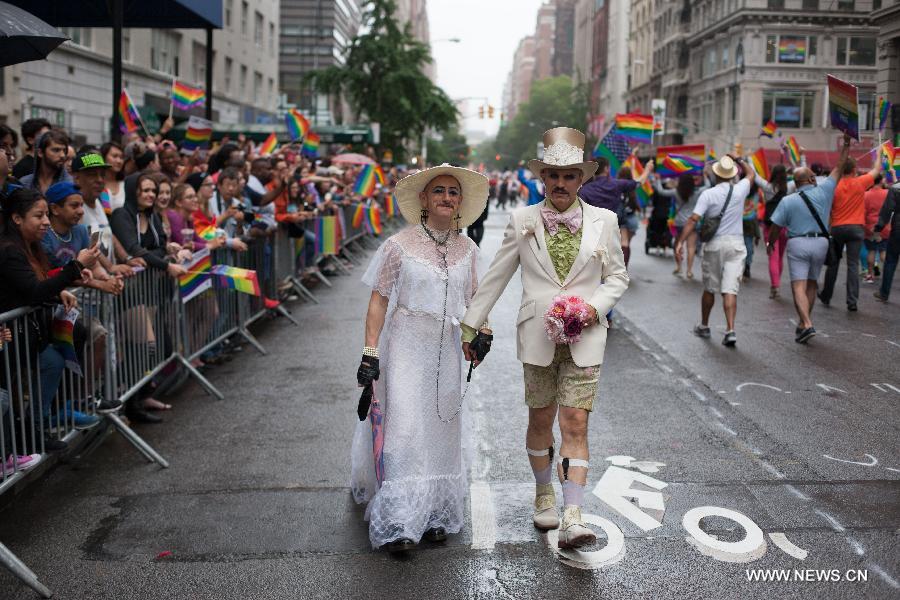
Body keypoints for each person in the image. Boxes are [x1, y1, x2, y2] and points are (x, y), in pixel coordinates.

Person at [461, 128, 629, 549]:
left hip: (585, 336)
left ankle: (574, 515)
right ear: (543, 177)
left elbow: (617, 277)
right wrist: (471, 323)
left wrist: (592, 308)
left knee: (575, 421)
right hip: (536, 336)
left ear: (581, 179)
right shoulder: (522, 221)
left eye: (569, 176)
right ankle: (544, 494)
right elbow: (497, 274)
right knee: (540, 420)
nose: (560, 183)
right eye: (553, 175)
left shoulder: (604, 221)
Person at [351, 163, 487, 552]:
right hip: (406, 346)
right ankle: (397, 519)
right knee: (405, 429)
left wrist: (483, 334)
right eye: (439, 191)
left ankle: (434, 514)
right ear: (424, 199)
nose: (447, 197)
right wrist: (370, 353)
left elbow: (477, 301)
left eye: (453, 192)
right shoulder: (398, 246)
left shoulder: (469, 249)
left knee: (442, 430)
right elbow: (378, 302)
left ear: (460, 202)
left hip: (446, 348)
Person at [0, 188, 102, 444]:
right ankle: (19, 441)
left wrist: (59, 293)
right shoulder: (9, 250)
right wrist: (76, 266)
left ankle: (37, 427)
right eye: (39, 215)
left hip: (26, 331)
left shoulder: (30, 247)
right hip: (11, 334)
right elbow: (31, 291)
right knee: (6, 395)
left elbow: (32, 287)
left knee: (54, 362)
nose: (46, 221)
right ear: (17, 218)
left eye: (46, 214)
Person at [766, 153, 846, 343]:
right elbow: (839, 166)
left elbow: (775, 227)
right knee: (811, 283)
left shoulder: (787, 200)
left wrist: (771, 243)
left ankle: (807, 323)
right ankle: (803, 324)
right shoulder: (825, 190)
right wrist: (846, 145)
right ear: (811, 179)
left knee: (798, 286)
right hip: (821, 243)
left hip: (798, 243)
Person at [675, 155, 753, 347]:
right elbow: (751, 173)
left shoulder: (708, 194)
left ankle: (704, 325)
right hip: (736, 245)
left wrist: (680, 242)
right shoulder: (740, 189)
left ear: (716, 174)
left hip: (715, 245)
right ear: (732, 174)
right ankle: (730, 329)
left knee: (710, 287)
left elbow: (693, 219)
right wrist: (740, 160)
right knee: (730, 289)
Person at [819, 137, 881, 311]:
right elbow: (877, 170)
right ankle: (852, 301)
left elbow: (829, 209)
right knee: (853, 265)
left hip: (838, 228)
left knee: (834, 263)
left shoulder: (834, 185)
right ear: (854, 169)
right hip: (856, 228)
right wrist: (879, 154)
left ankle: (826, 295)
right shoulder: (860, 182)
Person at [653, 171, 709, 278]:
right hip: (692, 222)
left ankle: (679, 267)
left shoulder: (676, 192)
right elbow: (708, 186)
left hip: (679, 222)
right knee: (691, 247)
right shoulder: (697, 193)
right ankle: (689, 271)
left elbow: (661, 191)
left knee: (678, 244)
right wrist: (705, 176)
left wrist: (658, 180)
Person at [756, 164, 790, 298]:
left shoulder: (767, 187)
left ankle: (775, 286)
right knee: (780, 257)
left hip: (770, 227)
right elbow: (802, 174)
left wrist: (743, 160)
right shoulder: (790, 187)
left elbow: (755, 175)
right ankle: (777, 283)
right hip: (785, 227)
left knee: (772, 257)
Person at [874, 184, 900, 302]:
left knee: (891, 261)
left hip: (898, 229)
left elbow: (887, 210)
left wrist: (878, 228)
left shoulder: (896, 188)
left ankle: (884, 293)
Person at [863, 175, 889, 284]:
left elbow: (863, 213)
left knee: (871, 251)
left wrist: (865, 228)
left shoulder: (865, 195)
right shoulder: (887, 193)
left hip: (871, 227)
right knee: (884, 251)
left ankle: (870, 275)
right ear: (881, 180)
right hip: (885, 227)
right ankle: (888, 275)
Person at [100, 141, 127, 213]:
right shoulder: (97, 185)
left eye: (121, 157)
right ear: (103, 157)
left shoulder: (125, 185)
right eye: (114, 156)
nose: (119, 161)